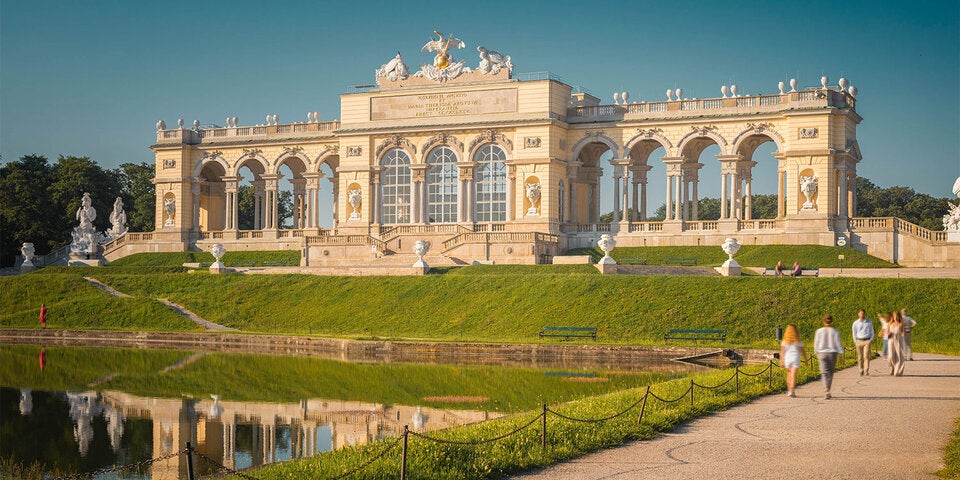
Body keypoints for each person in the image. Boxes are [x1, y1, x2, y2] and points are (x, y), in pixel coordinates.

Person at [814, 314, 843, 399]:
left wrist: (816, 352)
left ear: (823, 321)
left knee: (824, 372)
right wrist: (841, 353)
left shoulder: (819, 331)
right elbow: (838, 343)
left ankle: (826, 389)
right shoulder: (835, 331)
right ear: (832, 321)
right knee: (830, 373)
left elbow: (816, 343)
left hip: (822, 353)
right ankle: (828, 390)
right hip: (832, 353)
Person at [780, 324, 806, 397]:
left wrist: (781, 361)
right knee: (793, 375)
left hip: (787, 359)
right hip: (796, 358)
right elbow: (803, 351)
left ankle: (789, 390)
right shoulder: (798, 341)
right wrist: (806, 360)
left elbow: (782, 352)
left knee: (788, 375)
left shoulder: (785, 341)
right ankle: (792, 390)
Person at [851, 309, 874, 376]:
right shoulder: (855, 323)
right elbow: (854, 332)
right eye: (861, 313)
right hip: (859, 341)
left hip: (867, 341)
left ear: (865, 314)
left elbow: (872, 331)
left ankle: (866, 371)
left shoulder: (869, 322)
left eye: (863, 313)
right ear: (858, 314)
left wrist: (871, 339)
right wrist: (855, 341)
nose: (862, 315)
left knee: (866, 356)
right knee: (860, 357)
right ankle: (861, 370)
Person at [887, 311, 906, 376]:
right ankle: (894, 367)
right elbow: (888, 332)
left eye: (897, 316)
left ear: (899, 317)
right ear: (893, 316)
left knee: (899, 356)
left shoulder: (901, 324)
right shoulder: (890, 323)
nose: (896, 317)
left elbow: (904, 333)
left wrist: (902, 334)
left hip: (898, 340)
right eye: (895, 316)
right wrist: (889, 334)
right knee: (891, 355)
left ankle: (897, 370)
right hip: (891, 340)